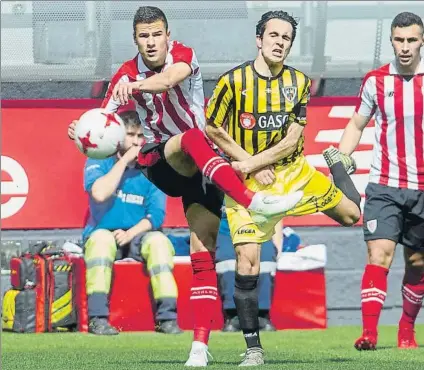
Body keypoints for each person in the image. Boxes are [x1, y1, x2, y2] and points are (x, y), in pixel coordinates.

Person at [68, 6, 303, 366]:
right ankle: (252, 200)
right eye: (143, 36)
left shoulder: (184, 56)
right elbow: (103, 122)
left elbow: (167, 80)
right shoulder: (125, 74)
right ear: (136, 39)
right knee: (192, 136)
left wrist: (132, 87)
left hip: (200, 165)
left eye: (156, 34)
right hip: (159, 159)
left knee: (203, 250)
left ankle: (198, 347)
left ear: (167, 34)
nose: (150, 42)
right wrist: (81, 133)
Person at [205, 10, 362, 366]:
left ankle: (337, 164)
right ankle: (253, 349)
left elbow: (293, 137)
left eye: (286, 38)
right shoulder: (233, 82)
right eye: (273, 35)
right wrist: (249, 164)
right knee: (248, 260)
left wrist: (254, 163)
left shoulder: (299, 83)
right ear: (259, 39)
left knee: (352, 216)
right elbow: (213, 129)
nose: (279, 42)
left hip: (295, 174)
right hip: (246, 184)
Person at [336, 12, 424, 351]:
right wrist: (342, 160)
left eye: (411, 40)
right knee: (379, 254)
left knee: (417, 265)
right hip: (384, 185)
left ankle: (406, 329)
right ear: (391, 40)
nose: (404, 47)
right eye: (399, 40)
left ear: (421, 42)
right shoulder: (375, 80)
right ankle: (369, 333)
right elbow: (356, 124)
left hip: (422, 189)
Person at [83, 110, 182, 335]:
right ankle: (98, 318)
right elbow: (99, 193)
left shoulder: (153, 170)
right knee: (100, 241)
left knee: (159, 243)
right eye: (131, 135)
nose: (137, 142)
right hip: (104, 232)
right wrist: (124, 162)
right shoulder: (99, 160)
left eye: (140, 137)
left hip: (139, 236)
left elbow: (156, 216)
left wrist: (130, 234)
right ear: (118, 136)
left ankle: (167, 318)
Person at [216, 212, 283, 332]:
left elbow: (276, 212)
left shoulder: (264, 192)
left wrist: (277, 244)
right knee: (228, 262)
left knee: (266, 259)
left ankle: (262, 315)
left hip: (260, 229)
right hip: (225, 230)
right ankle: (233, 315)